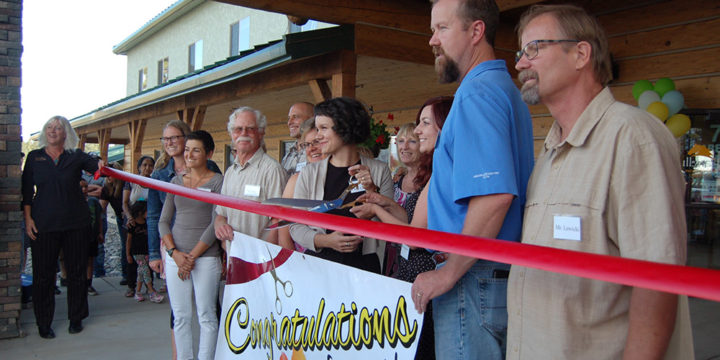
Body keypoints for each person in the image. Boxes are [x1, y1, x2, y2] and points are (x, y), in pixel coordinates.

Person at [507, 4, 694, 359]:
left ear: (580, 54)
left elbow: (657, 281)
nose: (520, 64)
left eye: (534, 49)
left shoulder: (633, 137)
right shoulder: (548, 154)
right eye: (520, 52)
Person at [409, 0, 535, 359]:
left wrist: (449, 273)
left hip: (473, 276)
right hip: (486, 273)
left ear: (476, 31)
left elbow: (495, 195)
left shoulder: (478, 94)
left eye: (442, 29)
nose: (432, 40)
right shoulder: (498, 87)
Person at [354, 96, 452, 360]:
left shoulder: (437, 174)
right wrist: (380, 199)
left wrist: (376, 209)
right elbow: (410, 220)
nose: (416, 135)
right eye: (401, 141)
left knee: (424, 340)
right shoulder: (401, 176)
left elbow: (414, 236)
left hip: (428, 266)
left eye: (424, 125)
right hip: (405, 265)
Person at [289, 97, 393, 273]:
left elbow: (389, 225)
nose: (318, 135)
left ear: (344, 128)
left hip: (364, 268)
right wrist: (324, 240)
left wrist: (371, 190)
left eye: (323, 128)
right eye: (317, 128)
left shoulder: (379, 170)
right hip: (319, 266)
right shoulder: (309, 173)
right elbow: (295, 225)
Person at [22, 115, 102, 338]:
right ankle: (43, 322)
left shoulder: (74, 156)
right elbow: (27, 191)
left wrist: (100, 163)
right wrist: (28, 219)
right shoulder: (34, 157)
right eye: (49, 127)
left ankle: (76, 318)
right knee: (43, 276)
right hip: (43, 224)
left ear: (66, 133)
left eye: (58, 128)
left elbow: (95, 164)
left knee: (76, 273)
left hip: (75, 223)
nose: (53, 131)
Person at [147, 120, 220, 359]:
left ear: (209, 153)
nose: (189, 154)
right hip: (176, 257)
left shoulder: (218, 182)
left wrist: (193, 257)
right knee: (181, 317)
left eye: (196, 150)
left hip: (205, 257)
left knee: (207, 316)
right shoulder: (176, 182)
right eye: (187, 149)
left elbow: (215, 222)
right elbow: (163, 220)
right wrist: (174, 254)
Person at [214, 107, 287, 251]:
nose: (243, 133)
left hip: (258, 260)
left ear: (261, 133)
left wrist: (265, 256)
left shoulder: (272, 170)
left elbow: (278, 220)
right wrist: (221, 227)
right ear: (232, 134)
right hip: (234, 255)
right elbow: (221, 215)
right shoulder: (230, 172)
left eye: (250, 129)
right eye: (238, 129)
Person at [278, 117, 326, 251]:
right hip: (303, 260)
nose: (311, 149)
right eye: (306, 145)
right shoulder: (295, 181)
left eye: (317, 142)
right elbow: (284, 232)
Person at [122, 156, 155, 296]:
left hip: (148, 222)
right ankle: (131, 284)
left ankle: (149, 284)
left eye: (150, 165)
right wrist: (130, 217)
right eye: (144, 165)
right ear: (139, 166)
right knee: (131, 252)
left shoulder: (154, 183)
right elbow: (124, 202)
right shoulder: (131, 182)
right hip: (133, 221)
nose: (147, 168)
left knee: (148, 253)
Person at [99, 162, 130, 295]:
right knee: (124, 245)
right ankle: (125, 274)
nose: (108, 177)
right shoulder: (106, 188)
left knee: (132, 245)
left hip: (130, 215)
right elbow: (102, 208)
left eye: (110, 174)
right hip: (119, 217)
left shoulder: (125, 184)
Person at [127, 200, 164, 303]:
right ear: (140, 212)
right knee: (145, 270)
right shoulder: (132, 225)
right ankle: (151, 291)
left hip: (146, 251)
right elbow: (128, 241)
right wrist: (128, 254)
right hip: (137, 252)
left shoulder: (148, 223)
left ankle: (138, 291)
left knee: (141, 272)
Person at [80, 179, 103, 297]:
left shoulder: (93, 201)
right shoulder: (74, 202)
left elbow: (99, 218)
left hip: (92, 236)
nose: (84, 189)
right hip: (79, 237)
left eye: (85, 186)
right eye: (81, 187)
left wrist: (100, 233)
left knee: (90, 260)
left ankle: (89, 283)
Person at [281, 102, 314, 176]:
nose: (289, 122)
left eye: (295, 117)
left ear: (312, 119)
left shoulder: (317, 152)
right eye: (289, 118)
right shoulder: (288, 154)